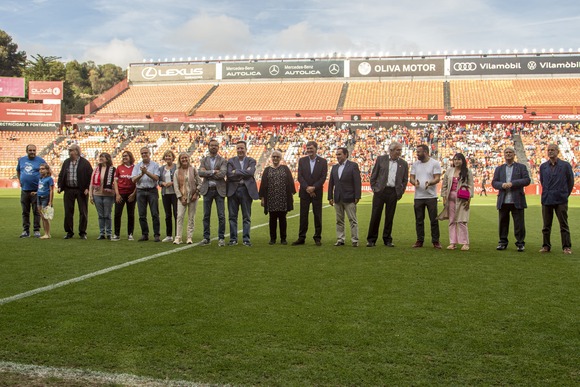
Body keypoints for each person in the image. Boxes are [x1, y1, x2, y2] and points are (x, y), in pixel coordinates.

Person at [366, 141, 408, 247]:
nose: (399, 152)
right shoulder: (381, 159)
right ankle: (371, 239)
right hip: (380, 191)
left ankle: (387, 239)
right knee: (375, 216)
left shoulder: (403, 163)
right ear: (391, 150)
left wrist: (400, 192)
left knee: (390, 217)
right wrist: (375, 188)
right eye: (398, 150)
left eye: (400, 150)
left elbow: (404, 180)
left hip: (393, 192)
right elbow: (374, 175)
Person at [492, 147, 531, 252]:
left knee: (519, 224)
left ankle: (520, 243)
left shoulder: (521, 167)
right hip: (503, 200)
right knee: (503, 223)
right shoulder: (499, 169)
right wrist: (502, 185)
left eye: (510, 152)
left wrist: (513, 184)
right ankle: (502, 242)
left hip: (517, 199)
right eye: (506, 152)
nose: (508, 154)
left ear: (514, 154)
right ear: (504, 155)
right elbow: (494, 182)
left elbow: (527, 180)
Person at [539, 143, 574, 254]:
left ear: (558, 151)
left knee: (563, 225)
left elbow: (570, 182)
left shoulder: (565, 165)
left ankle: (566, 247)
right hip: (547, 199)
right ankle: (546, 246)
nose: (550, 151)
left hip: (560, 199)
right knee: (546, 225)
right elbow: (543, 181)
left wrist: (564, 194)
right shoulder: (543, 166)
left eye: (553, 150)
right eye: (549, 150)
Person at [292, 141, 328, 246]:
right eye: (307, 148)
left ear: (316, 149)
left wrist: (314, 188)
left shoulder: (323, 161)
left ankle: (317, 237)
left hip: (317, 193)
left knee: (317, 216)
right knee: (303, 216)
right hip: (304, 192)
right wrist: (307, 188)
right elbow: (300, 176)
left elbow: (323, 177)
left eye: (311, 148)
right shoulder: (302, 161)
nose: (309, 150)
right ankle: (301, 237)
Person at [259, 150, 296, 245]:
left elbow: (290, 183)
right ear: (271, 158)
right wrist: (262, 198)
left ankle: (283, 238)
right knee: (272, 219)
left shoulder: (285, 169)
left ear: (280, 158)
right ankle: (273, 239)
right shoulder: (267, 170)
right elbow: (263, 185)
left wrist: (291, 196)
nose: (275, 158)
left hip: (283, 198)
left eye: (277, 157)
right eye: (274, 157)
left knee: (283, 219)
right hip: (271, 198)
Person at [226, 141, 259, 246]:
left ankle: (246, 239)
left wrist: (237, 171)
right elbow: (230, 175)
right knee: (232, 216)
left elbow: (251, 172)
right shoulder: (230, 161)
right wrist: (244, 171)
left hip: (246, 190)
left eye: (242, 148)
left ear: (246, 149)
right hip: (233, 191)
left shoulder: (251, 160)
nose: (240, 150)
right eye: (238, 148)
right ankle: (233, 239)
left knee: (246, 217)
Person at [57, 144, 93, 239]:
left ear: (76, 151)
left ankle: (82, 232)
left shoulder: (85, 163)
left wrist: (87, 188)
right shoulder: (66, 162)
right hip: (68, 190)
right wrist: (60, 186)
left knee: (83, 212)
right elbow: (61, 175)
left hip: (81, 190)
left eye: (71, 150)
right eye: (69, 151)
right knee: (68, 211)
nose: (69, 152)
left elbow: (90, 176)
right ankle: (69, 232)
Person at [328, 147, 362, 247]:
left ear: (346, 154)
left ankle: (355, 240)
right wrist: (330, 196)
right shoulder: (334, 167)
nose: (337, 156)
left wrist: (357, 196)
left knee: (353, 220)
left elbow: (357, 182)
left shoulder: (353, 166)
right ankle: (340, 239)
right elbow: (331, 183)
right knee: (339, 220)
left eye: (339, 154)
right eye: (337, 154)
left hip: (349, 197)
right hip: (337, 198)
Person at [410, 144, 442, 249]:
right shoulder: (415, 164)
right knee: (419, 220)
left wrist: (430, 183)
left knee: (434, 220)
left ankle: (435, 241)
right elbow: (411, 178)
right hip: (418, 196)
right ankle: (420, 240)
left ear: (425, 152)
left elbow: (437, 178)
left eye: (419, 152)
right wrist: (415, 183)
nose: (417, 154)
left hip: (431, 196)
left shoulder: (435, 163)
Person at [440, 153, 474, 251]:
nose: (456, 161)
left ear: (463, 161)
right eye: (455, 159)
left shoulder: (467, 171)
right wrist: (444, 198)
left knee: (462, 220)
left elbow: (470, 186)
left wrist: (469, 199)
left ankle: (465, 243)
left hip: (462, 198)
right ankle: (453, 242)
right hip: (450, 197)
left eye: (459, 159)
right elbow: (444, 185)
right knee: (451, 220)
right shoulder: (449, 171)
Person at [198, 139, 227, 247]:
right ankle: (206, 238)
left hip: (219, 190)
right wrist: (214, 171)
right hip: (207, 190)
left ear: (218, 147)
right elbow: (200, 173)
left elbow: (223, 174)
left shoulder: (223, 160)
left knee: (221, 215)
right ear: (208, 147)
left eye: (215, 145)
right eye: (212, 145)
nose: (213, 147)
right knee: (206, 215)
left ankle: (221, 238)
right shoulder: (204, 160)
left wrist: (207, 173)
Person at [131, 147, 161, 242]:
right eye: (142, 153)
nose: (144, 155)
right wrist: (141, 174)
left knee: (155, 213)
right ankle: (145, 234)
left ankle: (156, 234)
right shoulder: (137, 166)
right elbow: (133, 180)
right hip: (140, 191)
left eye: (146, 153)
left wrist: (146, 172)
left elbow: (156, 178)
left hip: (152, 190)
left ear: (149, 153)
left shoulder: (155, 165)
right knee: (142, 214)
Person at [17, 144, 46, 238]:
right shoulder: (22, 160)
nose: (32, 152)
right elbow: (18, 171)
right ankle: (26, 231)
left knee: (37, 211)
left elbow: (47, 172)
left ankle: (36, 230)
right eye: (30, 150)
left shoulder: (40, 161)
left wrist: (42, 184)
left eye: (34, 150)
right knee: (25, 212)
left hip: (36, 191)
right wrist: (20, 180)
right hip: (25, 190)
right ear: (27, 151)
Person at [173, 152, 201, 245]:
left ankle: (189, 237)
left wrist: (196, 193)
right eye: (182, 158)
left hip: (193, 197)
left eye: (186, 158)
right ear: (180, 160)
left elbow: (200, 183)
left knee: (191, 217)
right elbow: (176, 186)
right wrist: (180, 197)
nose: (184, 160)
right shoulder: (177, 172)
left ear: (188, 159)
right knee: (180, 216)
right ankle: (178, 237)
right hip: (182, 197)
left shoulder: (193, 170)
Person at [89, 153, 116, 240]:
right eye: (100, 157)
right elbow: (91, 183)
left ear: (107, 159)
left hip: (108, 195)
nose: (100, 158)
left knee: (107, 214)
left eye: (102, 157)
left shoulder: (113, 170)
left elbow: (115, 182)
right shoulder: (96, 169)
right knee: (100, 215)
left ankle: (108, 233)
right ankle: (101, 233)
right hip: (97, 194)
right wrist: (91, 195)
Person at [112, 150, 136, 241]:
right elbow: (115, 181)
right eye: (123, 156)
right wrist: (117, 194)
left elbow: (137, 182)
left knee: (131, 214)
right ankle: (116, 234)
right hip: (121, 193)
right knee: (117, 214)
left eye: (126, 156)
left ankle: (130, 234)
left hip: (131, 194)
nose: (124, 157)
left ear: (130, 157)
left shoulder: (135, 168)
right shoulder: (119, 168)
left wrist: (134, 194)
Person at [158, 150, 178, 242]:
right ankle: (169, 235)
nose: (167, 158)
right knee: (167, 215)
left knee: (176, 214)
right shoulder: (161, 169)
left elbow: (180, 179)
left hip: (175, 193)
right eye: (166, 156)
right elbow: (158, 180)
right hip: (165, 194)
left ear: (172, 157)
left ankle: (178, 234)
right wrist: (163, 183)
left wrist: (172, 183)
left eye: (169, 156)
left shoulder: (177, 167)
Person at [36, 163, 54, 239]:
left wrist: (50, 201)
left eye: (43, 169)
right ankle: (45, 233)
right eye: (40, 169)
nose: (41, 170)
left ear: (47, 170)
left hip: (45, 198)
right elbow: (41, 188)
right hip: (39, 197)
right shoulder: (40, 178)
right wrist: (36, 192)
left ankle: (48, 233)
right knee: (42, 216)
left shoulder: (49, 179)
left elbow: (51, 190)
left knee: (45, 217)